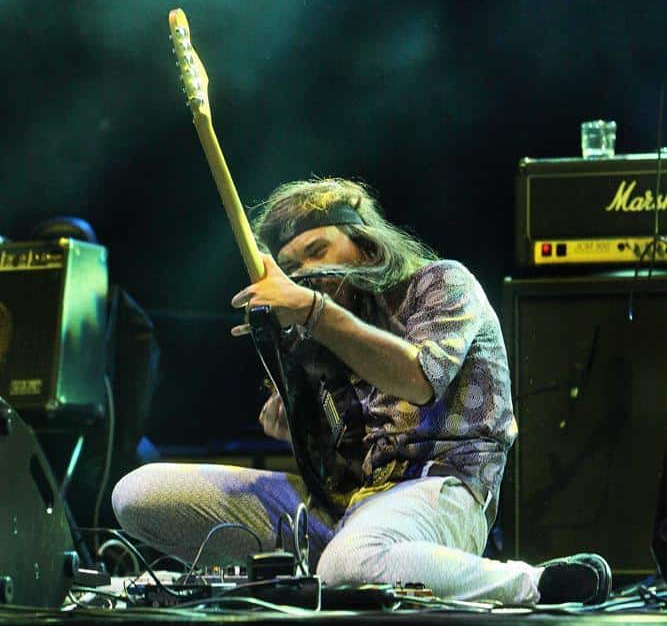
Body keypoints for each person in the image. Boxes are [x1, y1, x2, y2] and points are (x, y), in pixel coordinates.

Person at [112, 177, 611, 604]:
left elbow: (419, 380)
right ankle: (318, 578)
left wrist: (314, 312)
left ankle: (530, 583)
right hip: (348, 510)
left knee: (348, 563)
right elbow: (336, 461)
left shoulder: (441, 282)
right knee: (137, 493)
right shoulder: (318, 339)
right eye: (293, 266)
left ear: (366, 244)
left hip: (442, 491)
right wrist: (298, 419)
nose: (307, 273)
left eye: (318, 251)